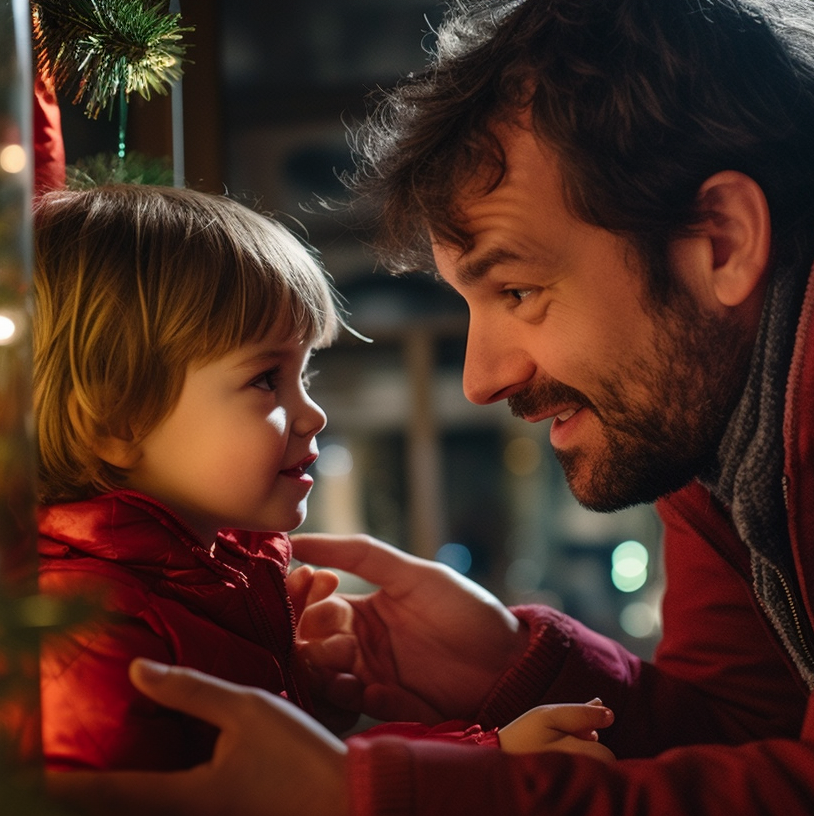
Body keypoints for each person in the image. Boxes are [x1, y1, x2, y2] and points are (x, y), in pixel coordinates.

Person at [46, 1, 814, 814]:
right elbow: (751, 736)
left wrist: (369, 794)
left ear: (719, 240)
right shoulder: (735, 385)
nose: (483, 374)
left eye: (520, 292)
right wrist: (516, 669)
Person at [30, 184, 615, 778]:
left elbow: (292, 784)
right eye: (266, 379)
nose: (313, 415)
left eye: (304, 372)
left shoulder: (219, 583)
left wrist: (307, 706)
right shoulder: (84, 632)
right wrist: (486, 760)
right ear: (116, 418)